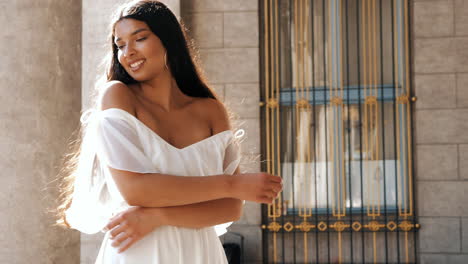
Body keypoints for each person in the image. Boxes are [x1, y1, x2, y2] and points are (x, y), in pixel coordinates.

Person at [56, 1, 282, 263]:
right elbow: (136, 190)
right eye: (120, 45)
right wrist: (231, 184)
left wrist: (157, 217)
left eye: (139, 39)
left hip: (201, 253)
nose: (128, 52)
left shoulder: (211, 110)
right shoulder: (118, 96)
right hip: (141, 251)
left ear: (168, 41)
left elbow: (230, 207)